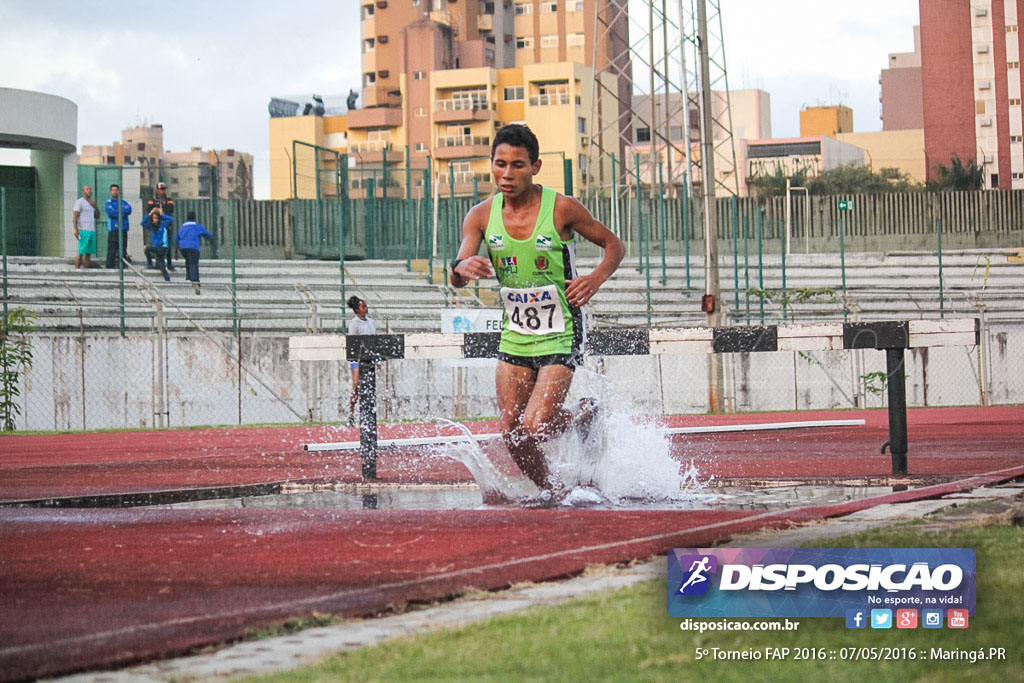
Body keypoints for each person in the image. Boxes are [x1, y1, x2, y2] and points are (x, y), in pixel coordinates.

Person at [450, 124, 624, 492]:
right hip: (516, 332)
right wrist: (461, 268)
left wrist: (595, 279)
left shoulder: (562, 208)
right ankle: (552, 491)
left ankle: (582, 414)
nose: (507, 174)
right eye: (500, 164)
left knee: (534, 426)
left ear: (535, 167)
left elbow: (613, 245)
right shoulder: (481, 215)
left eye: (517, 165)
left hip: (562, 327)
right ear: (491, 164)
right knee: (511, 430)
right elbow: (458, 272)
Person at [346, 295, 376, 426]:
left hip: (369, 358)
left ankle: (366, 414)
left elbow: (374, 341)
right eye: (363, 307)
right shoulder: (354, 324)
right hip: (358, 359)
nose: (366, 308)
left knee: (369, 385)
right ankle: (351, 412)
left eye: (366, 306)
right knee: (357, 384)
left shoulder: (371, 322)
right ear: (357, 310)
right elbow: (352, 343)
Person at [175, 210, 213, 295]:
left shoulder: (182, 227)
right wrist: (211, 239)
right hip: (193, 247)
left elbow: (176, 239)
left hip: (183, 248)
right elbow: (206, 234)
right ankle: (195, 282)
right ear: (194, 218)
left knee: (188, 260)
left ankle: (189, 276)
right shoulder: (197, 226)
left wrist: (176, 253)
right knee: (193, 264)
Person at [147, 181, 176, 271]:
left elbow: (171, 208)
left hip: (166, 225)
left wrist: (161, 210)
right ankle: (157, 263)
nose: (162, 191)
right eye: (161, 189)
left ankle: (169, 264)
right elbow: (148, 209)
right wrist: (155, 210)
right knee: (156, 244)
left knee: (167, 244)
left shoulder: (168, 199)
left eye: (164, 189)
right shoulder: (153, 199)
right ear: (157, 189)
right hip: (156, 225)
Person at [103, 184, 132, 269]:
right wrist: (121, 211)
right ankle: (109, 266)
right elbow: (111, 212)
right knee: (112, 249)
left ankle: (122, 266)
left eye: (116, 190)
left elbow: (129, 209)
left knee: (122, 249)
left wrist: (118, 211)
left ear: (119, 191)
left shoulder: (124, 202)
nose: (115, 191)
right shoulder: (108, 202)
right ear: (110, 191)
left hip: (123, 229)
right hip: (113, 229)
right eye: (113, 190)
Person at [142, 206, 172, 281]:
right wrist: (150, 213)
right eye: (154, 218)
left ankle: (150, 263)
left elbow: (170, 219)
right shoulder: (152, 227)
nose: (155, 220)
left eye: (157, 218)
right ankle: (167, 279)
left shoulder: (163, 225)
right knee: (161, 265)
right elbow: (142, 223)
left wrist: (161, 214)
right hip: (157, 248)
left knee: (146, 248)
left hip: (163, 247)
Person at [72, 185, 99, 269]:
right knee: (81, 251)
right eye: (87, 189)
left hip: (91, 230)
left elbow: (97, 216)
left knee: (88, 253)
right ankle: (77, 270)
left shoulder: (92, 203)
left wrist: (95, 206)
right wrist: (76, 229)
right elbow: (75, 215)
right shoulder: (79, 202)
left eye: (90, 189)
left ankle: (86, 271)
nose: (89, 191)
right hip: (83, 230)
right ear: (83, 191)